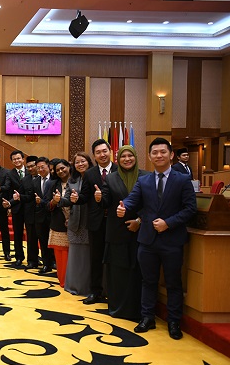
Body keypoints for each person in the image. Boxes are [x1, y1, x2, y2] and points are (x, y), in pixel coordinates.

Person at [117, 138, 197, 340]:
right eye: (155, 152)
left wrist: (168, 223)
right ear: (150, 156)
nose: (159, 155)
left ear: (171, 155)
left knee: (173, 283)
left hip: (172, 240)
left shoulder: (182, 180)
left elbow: (190, 209)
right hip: (147, 240)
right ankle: (147, 318)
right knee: (148, 281)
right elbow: (133, 200)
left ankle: (174, 322)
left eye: (163, 152)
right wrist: (124, 206)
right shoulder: (143, 181)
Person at [97, 145, 148, 320]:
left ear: (135, 157)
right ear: (118, 160)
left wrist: (139, 221)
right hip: (117, 232)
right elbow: (106, 202)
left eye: (130, 155)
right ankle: (117, 308)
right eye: (123, 156)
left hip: (140, 232)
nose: (127, 159)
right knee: (118, 272)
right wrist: (99, 198)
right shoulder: (111, 178)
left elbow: (151, 204)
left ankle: (137, 310)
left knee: (136, 272)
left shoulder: (146, 176)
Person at [82, 138, 117, 304]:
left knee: (115, 258)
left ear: (110, 151)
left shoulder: (119, 170)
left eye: (104, 151)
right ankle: (95, 291)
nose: (102, 155)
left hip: (116, 221)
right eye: (98, 153)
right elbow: (84, 196)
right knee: (95, 258)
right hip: (96, 222)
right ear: (94, 156)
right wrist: (75, 198)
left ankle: (115, 292)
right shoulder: (89, 174)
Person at [63, 152, 92, 296]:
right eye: (77, 162)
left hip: (90, 221)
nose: (80, 164)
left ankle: (89, 287)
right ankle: (74, 285)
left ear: (89, 162)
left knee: (89, 255)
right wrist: (59, 200)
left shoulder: (94, 177)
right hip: (75, 222)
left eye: (83, 161)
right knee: (75, 256)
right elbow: (67, 200)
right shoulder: (72, 180)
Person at [47, 159, 71, 287]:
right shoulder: (53, 184)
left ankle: (74, 281)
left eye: (63, 168)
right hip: (58, 224)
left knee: (75, 255)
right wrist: (54, 202)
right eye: (57, 170)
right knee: (61, 255)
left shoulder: (78, 182)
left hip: (77, 223)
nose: (61, 171)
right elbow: (47, 205)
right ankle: (63, 281)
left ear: (69, 167)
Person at [32, 157, 56, 273]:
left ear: (48, 166)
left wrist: (42, 202)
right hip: (40, 216)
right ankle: (46, 264)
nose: (40, 170)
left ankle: (55, 261)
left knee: (54, 240)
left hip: (53, 215)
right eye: (38, 168)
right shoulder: (35, 181)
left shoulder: (55, 180)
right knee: (43, 240)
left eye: (43, 167)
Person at [4, 150, 27, 264]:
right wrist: (10, 203)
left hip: (29, 206)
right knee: (17, 233)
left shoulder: (30, 171)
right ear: (12, 161)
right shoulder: (10, 174)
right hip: (16, 207)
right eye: (14, 159)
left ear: (23, 159)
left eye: (18, 158)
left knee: (32, 234)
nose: (17, 161)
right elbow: (8, 189)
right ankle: (19, 256)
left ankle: (33, 257)